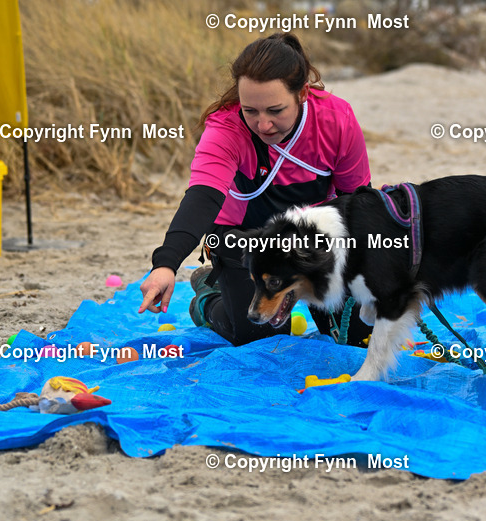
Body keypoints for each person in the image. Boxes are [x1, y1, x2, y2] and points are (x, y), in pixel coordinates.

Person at [138, 32, 372, 346]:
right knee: (260, 337)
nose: (263, 125)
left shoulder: (336, 119)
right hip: (245, 240)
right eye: (251, 111)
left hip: (311, 242)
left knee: (358, 336)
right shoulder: (225, 127)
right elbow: (202, 197)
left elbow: (356, 203)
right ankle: (208, 298)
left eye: (275, 111)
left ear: (302, 93)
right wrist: (165, 264)